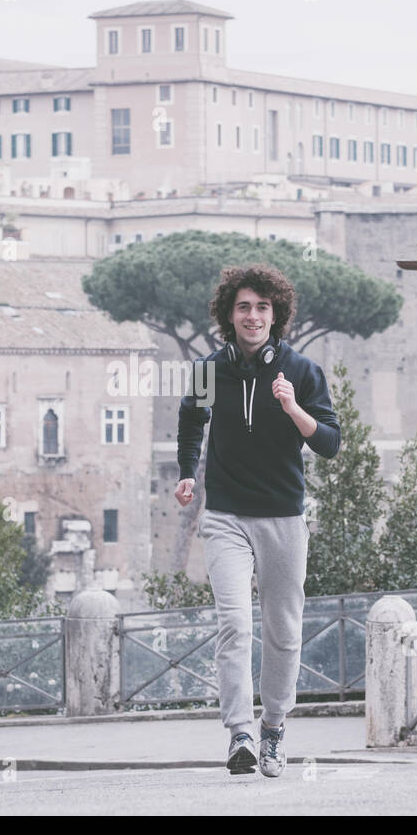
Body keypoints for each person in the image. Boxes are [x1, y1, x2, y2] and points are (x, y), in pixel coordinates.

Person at [175, 264, 341, 776]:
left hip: (284, 517)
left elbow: (330, 443)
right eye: (244, 306)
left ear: (277, 315)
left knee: (283, 629)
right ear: (230, 314)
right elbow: (191, 421)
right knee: (233, 622)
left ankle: (273, 728)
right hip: (224, 514)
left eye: (262, 307)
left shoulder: (302, 372)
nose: (253, 315)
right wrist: (187, 474)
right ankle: (240, 733)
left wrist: (293, 408)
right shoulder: (209, 371)